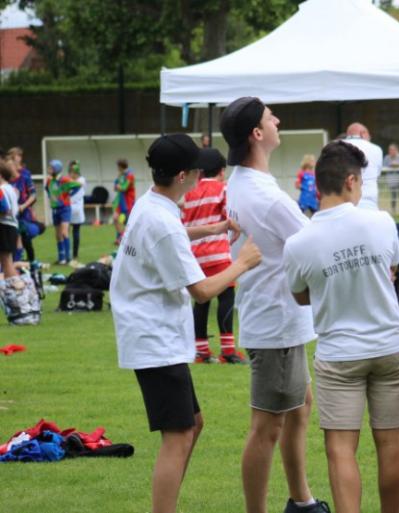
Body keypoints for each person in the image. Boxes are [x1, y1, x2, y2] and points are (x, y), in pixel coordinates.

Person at [110, 133, 262, 513]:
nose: (199, 178)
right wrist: (241, 263)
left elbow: (172, 236)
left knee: (193, 423)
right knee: (178, 436)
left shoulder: (153, 204)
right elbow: (202, 291)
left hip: (153, 334)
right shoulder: (160, 220)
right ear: (182, 175)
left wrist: (210, 230)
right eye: (195, 172)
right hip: (154, 339)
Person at [283, 140, 399, 513]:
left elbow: (301, 297)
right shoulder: (381, 221)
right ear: (352, 181)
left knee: (340, 448)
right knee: (391, 443)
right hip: (390, 344)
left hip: (339, 353)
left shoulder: (299, 243)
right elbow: (390, 270)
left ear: (318, 185)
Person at [222, 97, 329, 513]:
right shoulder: (266, 196)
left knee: (299, 407)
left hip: (277, 317)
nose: (278, 121)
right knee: (267, 426)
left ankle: (301, 501)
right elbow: (314, 245)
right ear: (256, 133)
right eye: (271, 118)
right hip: (276, 321)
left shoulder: (241, 183)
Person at [181, 147, 245, 365]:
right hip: (217, 254)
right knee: (226, 298)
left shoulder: (188, 192)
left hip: (194, 255)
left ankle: (201, 351)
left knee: (201, 301)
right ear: (221, 170)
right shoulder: (222, 188)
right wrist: (236, 229)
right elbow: (231, 215)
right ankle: (228, 351)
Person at [45, 159, 81, 265]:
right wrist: (52, 198)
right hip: (55, 208)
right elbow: (47, 189)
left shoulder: (64, 179)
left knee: (65, 232)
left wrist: (67, 194)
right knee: (58, 234)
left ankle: (68, 258)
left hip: (65, 208)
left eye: (51, 168)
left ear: (56, 169)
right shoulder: (49, 180)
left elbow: (78, 185)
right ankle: (61, 258)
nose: (49, 170)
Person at [7, 147, 40, 262]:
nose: (15, 158)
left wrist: (25, 206)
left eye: (16, 155)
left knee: (23, 236)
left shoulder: (25, 175)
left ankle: (29, 261)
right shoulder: (7, 179)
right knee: (16, 237)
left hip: (23, 213)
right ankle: (18, 261)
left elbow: (32, 195)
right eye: (12, 156)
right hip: (11, 213)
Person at [345, 122, 383, 211]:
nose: (370, 138)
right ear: (363, 133)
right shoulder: (376, 149)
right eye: (369, 135)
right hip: (370, 202)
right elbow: (377, 174)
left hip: (344, 203)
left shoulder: (336, 146)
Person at [0, 159, 20, 281]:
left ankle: (15, 289)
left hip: (4, 226)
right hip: (11, 226)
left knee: (6, 262)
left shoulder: (1, 189)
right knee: (7, 260)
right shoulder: (11, 188)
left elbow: (5, 209)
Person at [113, 158, 136, 245]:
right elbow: (115, 187)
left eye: (118, 166)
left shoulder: (130, 175)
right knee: (116, 218)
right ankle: (120, 237)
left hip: (128, 202)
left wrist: (119, 186)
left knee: (126, 222)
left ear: (120, 166)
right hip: (120, 201)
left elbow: (124, 187)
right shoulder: (121, 175)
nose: (117, 168)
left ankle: (122, 238)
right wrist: (118, 185)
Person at [68, 160, 86, 262]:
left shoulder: (81, 180)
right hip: (67, 209)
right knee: (66, 232)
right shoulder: (69, 181)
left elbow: (78, 184)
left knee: (76, 232)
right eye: (71, 172)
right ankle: (67, 254)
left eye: (74, 172)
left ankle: (75, 254)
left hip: (77, 210)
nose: (72, 174)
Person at [383, 143, 399, 215]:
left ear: (397, 150)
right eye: (390, 150)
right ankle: (393, 210)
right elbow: (383, 167)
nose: (391, 151)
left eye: (393, 150)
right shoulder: (387, 157)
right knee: (393, 196)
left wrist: (398, 165)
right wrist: (390, 165)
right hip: (391, 179)